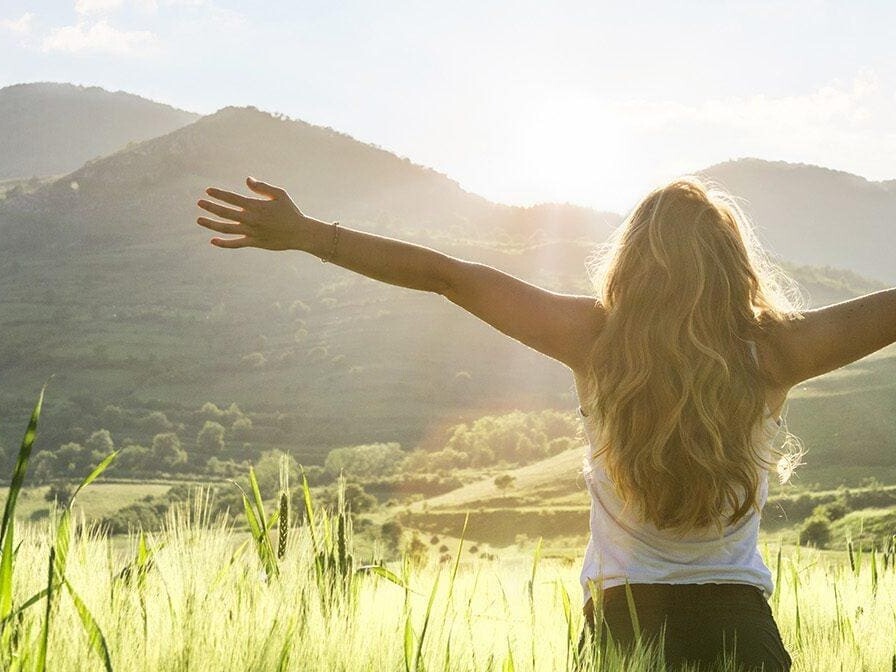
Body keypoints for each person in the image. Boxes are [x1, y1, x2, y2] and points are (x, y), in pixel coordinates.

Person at [196, 176, 896, 671]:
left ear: (633, 261)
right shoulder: (775, 350)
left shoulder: (595, 338)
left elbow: (451, 276)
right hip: (743, 635)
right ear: (732, 264)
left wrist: (309, 234)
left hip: (624, 632)